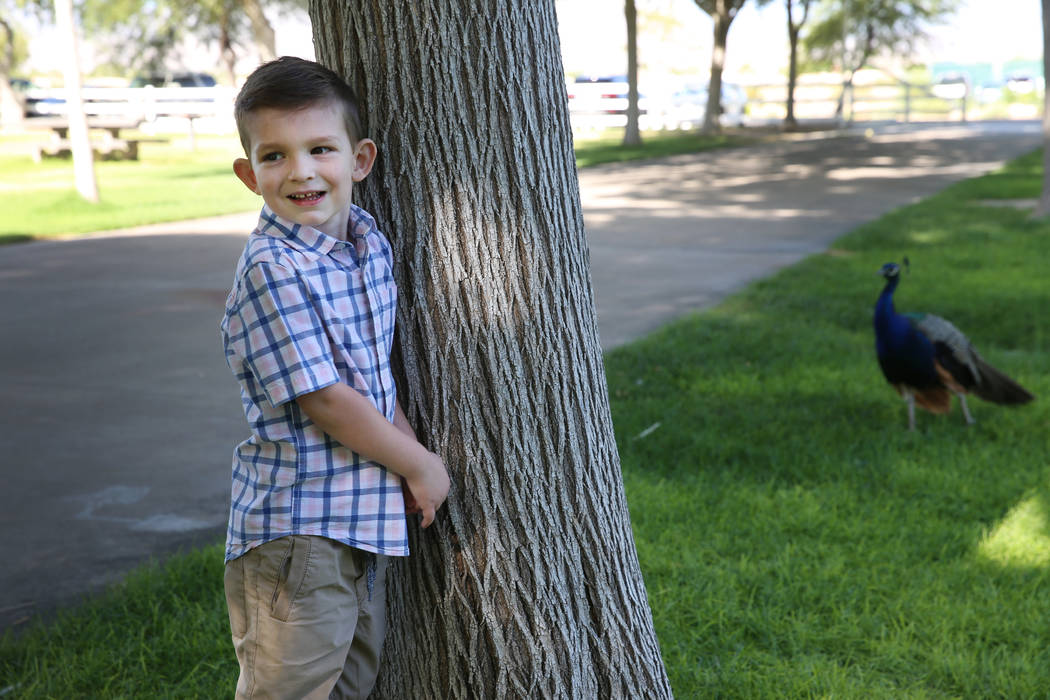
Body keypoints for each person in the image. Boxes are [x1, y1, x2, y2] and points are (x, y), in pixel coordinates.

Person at [219, 56, 451, 699]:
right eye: (275, 156)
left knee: (352, 684)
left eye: (320, 148)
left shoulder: (368, 246)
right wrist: (420, 464)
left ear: (360, 159)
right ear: (249, 174)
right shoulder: (272, 267)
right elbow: (326, 398)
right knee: (290, 690)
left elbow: (371, 379)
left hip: (358, 523)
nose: (300, 171)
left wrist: (407, 453)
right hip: (299, 530)